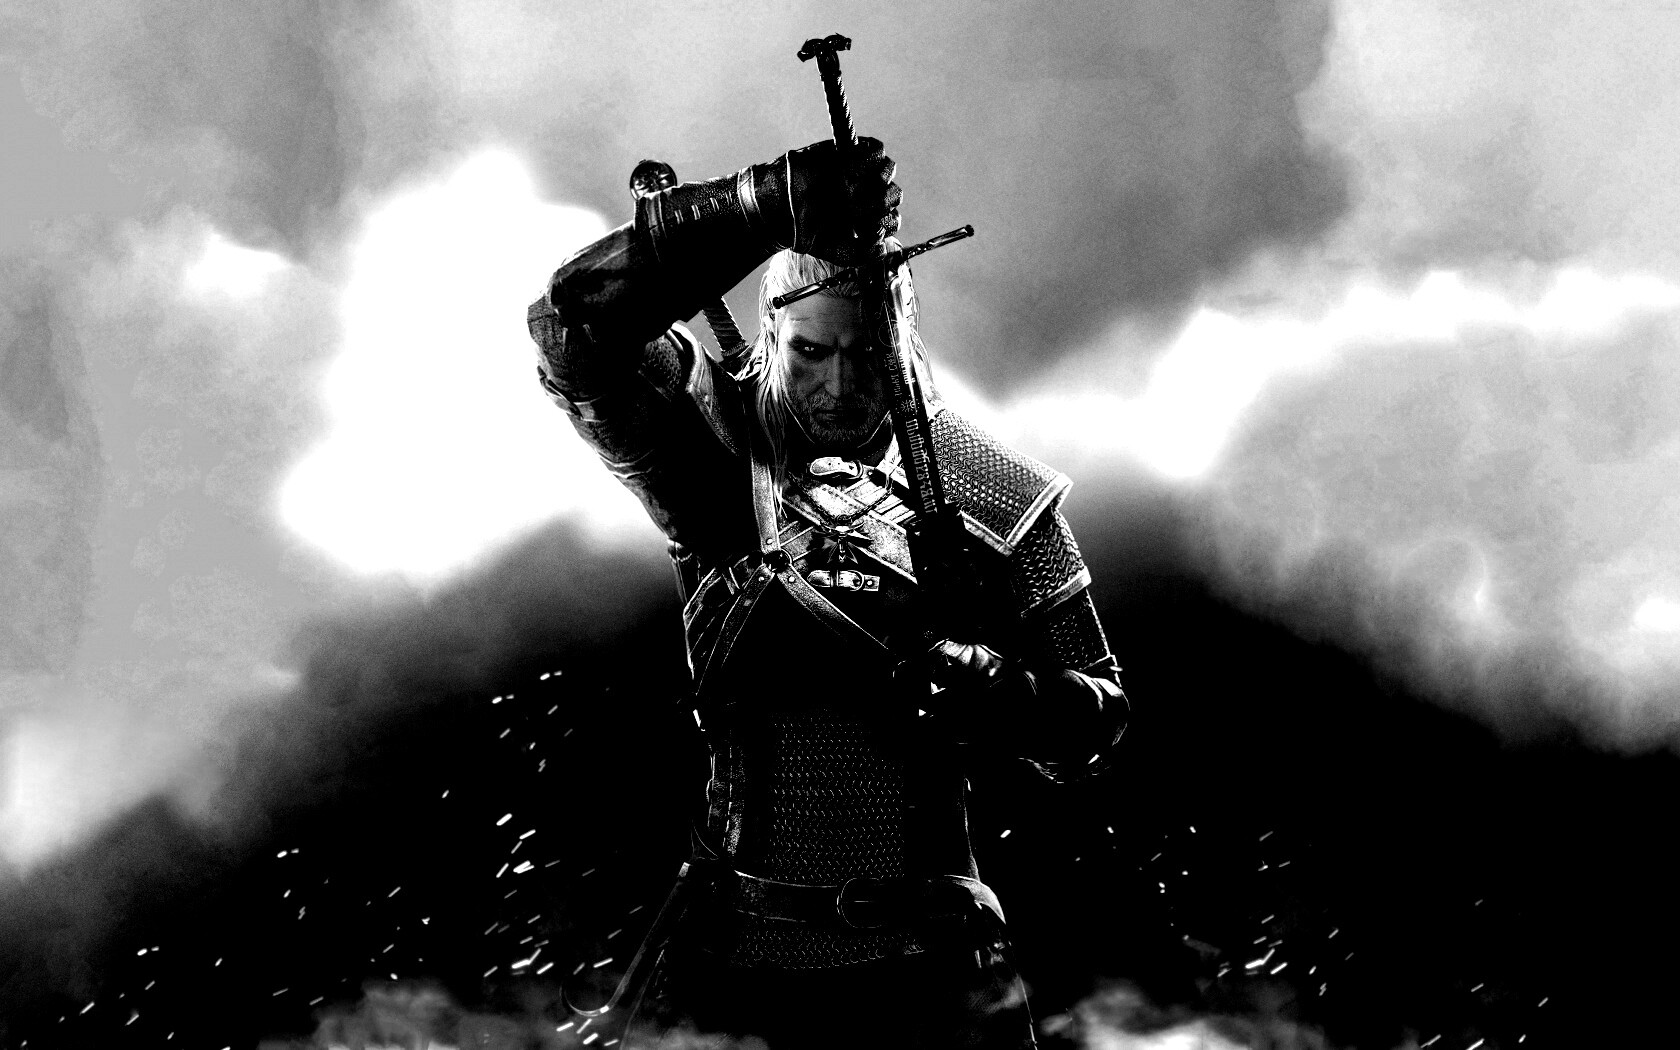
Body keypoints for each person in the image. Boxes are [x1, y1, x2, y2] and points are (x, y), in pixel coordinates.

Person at [526, 137, 1128, 1049]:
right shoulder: (717, 456)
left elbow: (1098, 728)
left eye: (867, 352)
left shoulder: (994, 493)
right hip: (740, 968)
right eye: (811, 351)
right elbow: (571, 329)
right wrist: (764, 203)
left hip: (937, 972)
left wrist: (996, 686)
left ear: (903, 340)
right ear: (773, 336)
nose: (840, 385)